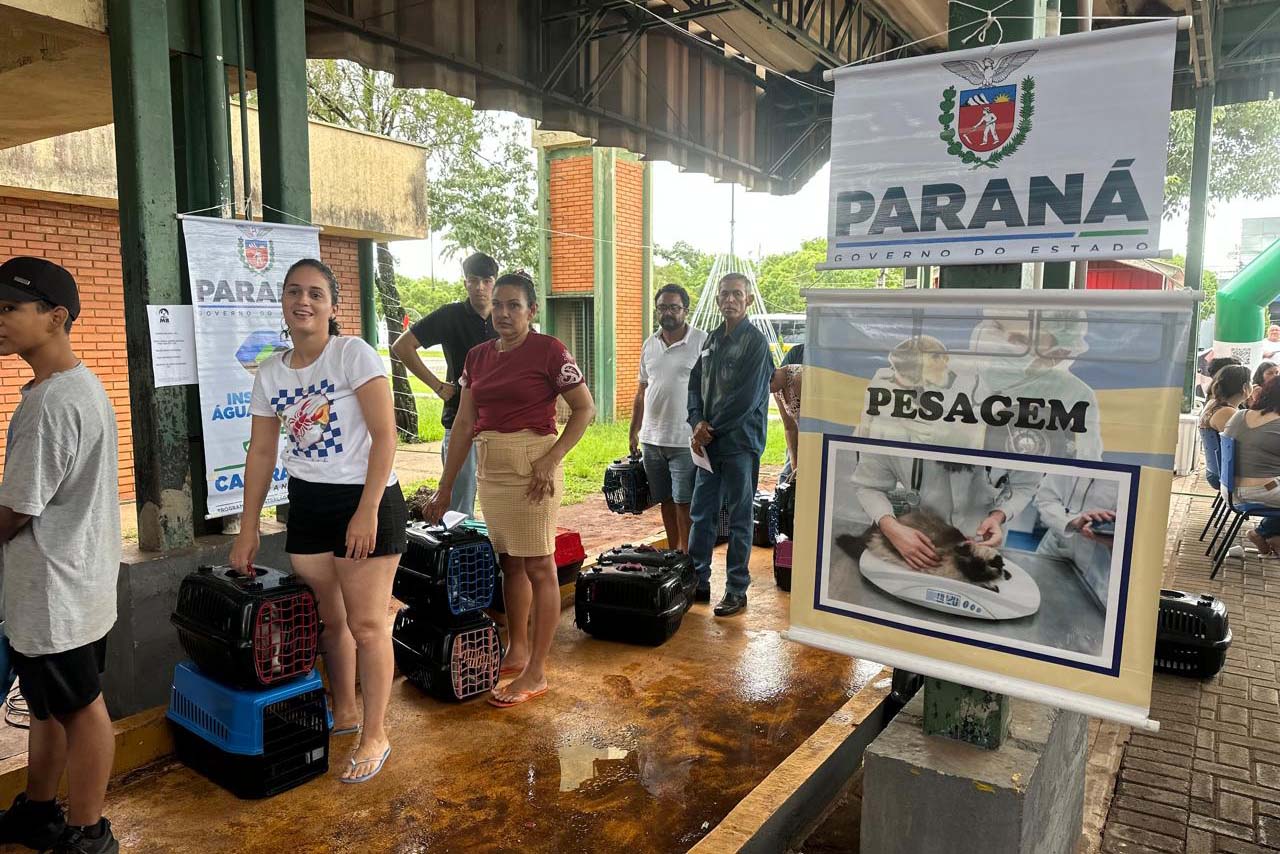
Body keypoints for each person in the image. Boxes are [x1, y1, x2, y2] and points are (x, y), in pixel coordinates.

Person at [230, 258, 406, 785]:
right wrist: (248, 526)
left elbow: (386, 435)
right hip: (307, 502)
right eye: (292, 293)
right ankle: (346, 711)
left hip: (365, 499)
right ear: (282, 304)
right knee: (329, 621)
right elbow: (262, 453)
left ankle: (376, 733)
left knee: (368, 623)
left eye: (314, 294)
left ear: (333, 307)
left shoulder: (352, 354)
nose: (302, 302)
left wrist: (367, 510)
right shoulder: (271, 371)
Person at [423, 271, 595, 707]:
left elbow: (584, 409)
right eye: (498, 304)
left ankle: (537, 671)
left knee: (539, 563)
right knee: (509, 564)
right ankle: (517, 649)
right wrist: (445, 489)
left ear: (531, 311)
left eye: (513, 305)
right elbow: (463, 423)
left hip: (533, 468)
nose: (502, 312)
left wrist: (551, 458)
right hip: (492, 468)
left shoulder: (549, 351)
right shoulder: (477, 357)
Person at [0, 257, 121, 854]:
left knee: (81, 711)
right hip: (77, 588)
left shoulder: (50, 405)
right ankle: (41, 812)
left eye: (9, 309)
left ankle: (88, 831)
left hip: (55, 596)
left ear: (56, 317)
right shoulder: (79, 384)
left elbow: (16, 511)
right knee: (48, 709)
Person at [687, 273, 775, 617]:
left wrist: (710, 429)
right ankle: (698, 581)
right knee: (702, 514)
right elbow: (694, 384)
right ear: (718, 299)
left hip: (739, 444)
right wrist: (696, 422)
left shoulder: (756, 344)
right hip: (708, 444)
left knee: (740, 518)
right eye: (724, 294)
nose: (729, 300)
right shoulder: (711, 340)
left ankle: (737, 589)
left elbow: (746, 399)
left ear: (748, 300)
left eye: (737, 294)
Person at [391, 252, 498, 517]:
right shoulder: (451, 315)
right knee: (459, 504)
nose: (480, 287)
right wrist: (437, 386)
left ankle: (498, 555)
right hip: (460, 419)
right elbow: (402, 346)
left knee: (501, 499)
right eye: (473, 280)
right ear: (465, 283)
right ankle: (462, 555)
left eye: (486, 280)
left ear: (494, 282)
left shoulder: (504, 316)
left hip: (501, 423)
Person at [629, 284, 707, 552]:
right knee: (665, 501)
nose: (668, 312)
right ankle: (673, 554)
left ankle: (688, 559)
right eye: (663, 307)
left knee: (684, 502)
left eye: (674, 307)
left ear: (685, 310)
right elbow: (642, 390)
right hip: (652, 440)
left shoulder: (701, 341)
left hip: (685, 439)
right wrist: (633, 432)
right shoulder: (649, 344)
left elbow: (712, 390)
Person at [1033, 475, 1119, 608]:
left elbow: (1141, 535)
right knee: (1037, 602)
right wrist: (1074, 522)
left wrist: (1112, 536)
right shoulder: (1071, 455)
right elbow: (1045, 499)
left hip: (1101, 566)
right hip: (1056, 549)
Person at [1223, 376, 1280, 554]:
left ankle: (1268, 534)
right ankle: (1266, 534)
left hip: (1229, 490)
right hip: (1262, 490)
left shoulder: (1239, 415)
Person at [1199, 365, 1251, 490]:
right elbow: (1249, 444)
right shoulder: (1227, 413)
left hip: (1217, 471)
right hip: (1225, 475)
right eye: (1251, 382)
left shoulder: (1214, 404)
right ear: (1245, 388)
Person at [776, 342, 804, 482]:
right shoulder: (777, 390)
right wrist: (795, 465)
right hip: (799, 434)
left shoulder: (799, 377)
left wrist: (803, 467)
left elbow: (815, 425)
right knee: (785, 480)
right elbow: (789, 428)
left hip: (816, 438)